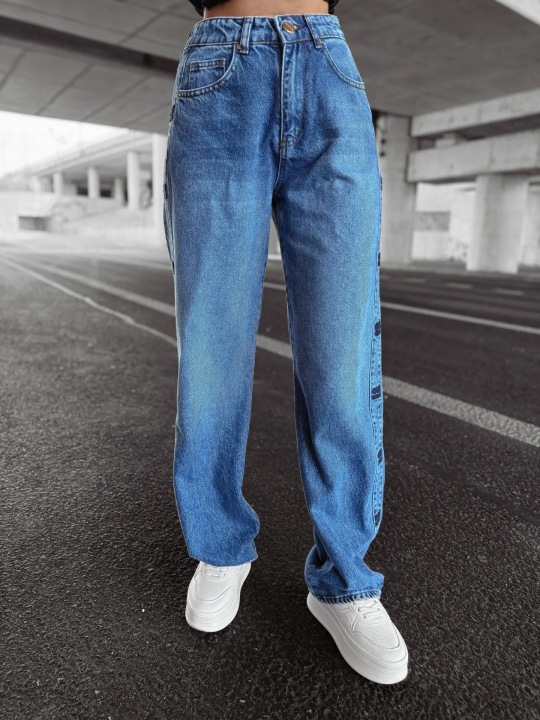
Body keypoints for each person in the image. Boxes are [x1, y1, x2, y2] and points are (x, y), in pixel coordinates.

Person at [163, 0, 409, 685]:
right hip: (218, 70)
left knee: (342, 357)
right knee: (211, 348)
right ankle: (220, 546)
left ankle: (344, 581)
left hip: (328, 66)